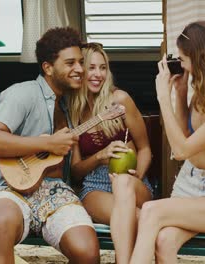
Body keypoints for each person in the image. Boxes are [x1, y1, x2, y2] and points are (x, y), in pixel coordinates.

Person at [128, 21, 205, 264]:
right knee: (164, 241)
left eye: (183, 59)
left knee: (150, 212)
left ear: (201, 58)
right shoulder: (204, 90)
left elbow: (181, 150)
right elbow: (186, 136)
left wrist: (163, 96)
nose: (180, 65)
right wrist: (181, 94)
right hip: (189, 184)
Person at [0, 27, 100, 264]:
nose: (79, 69)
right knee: (2, 221)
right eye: (70, 63)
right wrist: (47, 143)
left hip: (55, 191)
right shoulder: (22, 94)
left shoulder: (68, 105)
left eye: (80, 62)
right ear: (48, 67)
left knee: (86, 251)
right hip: (12, 189)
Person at [68, 42, 153, 264]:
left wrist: (133, 181)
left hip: (131, 179)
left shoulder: (120, 99)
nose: (98, 74)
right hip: (95, 185)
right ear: (80, 71)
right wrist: (99, 156)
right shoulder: (72, 109)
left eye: (103, 68)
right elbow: (76, 172)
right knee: (135, 218)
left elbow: (145, 149)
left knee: (128, 200)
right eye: (91, 68)